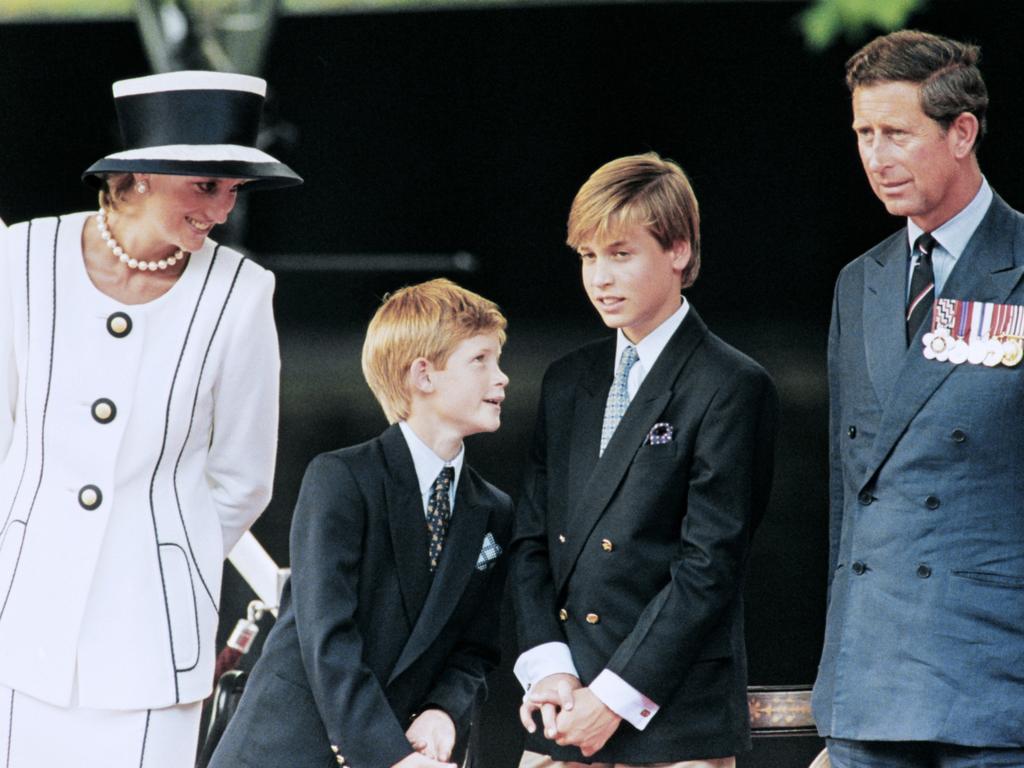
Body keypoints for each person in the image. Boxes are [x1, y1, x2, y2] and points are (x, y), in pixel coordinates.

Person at [0, 70, 300, 767]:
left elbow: (243, 476)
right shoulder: (21, 259)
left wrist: (166, 555)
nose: (222, 211)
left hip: (153, 642)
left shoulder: (242, 294)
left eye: (233, 190)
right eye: (206, 186)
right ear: (139, 175)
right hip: (20, 620)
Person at [510, 153, 778, 767]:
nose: (600, 277)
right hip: (563, 710)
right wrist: (550, 670)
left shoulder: (731, 384)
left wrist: (612, 697)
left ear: (678, 250)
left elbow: (708, 566)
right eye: (587, 257)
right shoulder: (566, 380)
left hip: (674, 719)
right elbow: (530, 542)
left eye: (620, 254)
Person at [812, 29, 1024, 768]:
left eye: (897, 133)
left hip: (994, 681)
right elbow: (851, 498)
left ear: (961, 131)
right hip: (868, 684)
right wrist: (834, 700)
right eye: (864, 134)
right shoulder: (859, 282)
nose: (876, 157)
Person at [209, 278, 513, 768]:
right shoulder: (341, 479)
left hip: (410, 748)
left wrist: (443, 711)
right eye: (480, 360)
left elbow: (475, 647)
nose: (501, 378)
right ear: (424, 375)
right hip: (291, 751)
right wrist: (387, 755)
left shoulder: (493, 509)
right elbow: (328, 637)